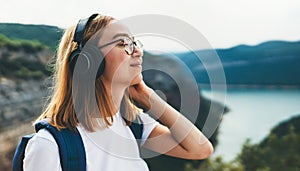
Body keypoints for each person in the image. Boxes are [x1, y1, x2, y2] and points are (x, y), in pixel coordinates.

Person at [23, 14, 213, 171]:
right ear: (88, 62)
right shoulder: (49, 145)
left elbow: (200, 149)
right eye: (123, 43)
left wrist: (147, 96)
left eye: (135, 42)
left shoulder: (133, 124)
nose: (137, 51)